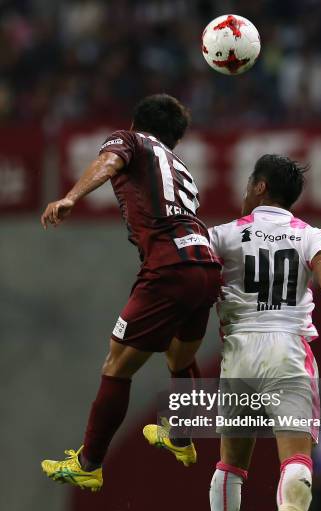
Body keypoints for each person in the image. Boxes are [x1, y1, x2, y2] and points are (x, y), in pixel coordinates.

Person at [145, 154, 321, 511]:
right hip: (287, 351)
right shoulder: (308, 234)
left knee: (231, 463)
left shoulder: (224, 234)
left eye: (249, 182)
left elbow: (189, 271)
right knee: (295, 459)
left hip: (239, 353)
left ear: (260, 187)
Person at [40, 94, 221, 491]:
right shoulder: (181, 166)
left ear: (136, 121)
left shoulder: (131, 141)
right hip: (206, 265)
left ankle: (89, 462)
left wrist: (71, 196)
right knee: (180, 357)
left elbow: (108, 162)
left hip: (168, 265)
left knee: (117, 364)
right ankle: (183, 436)